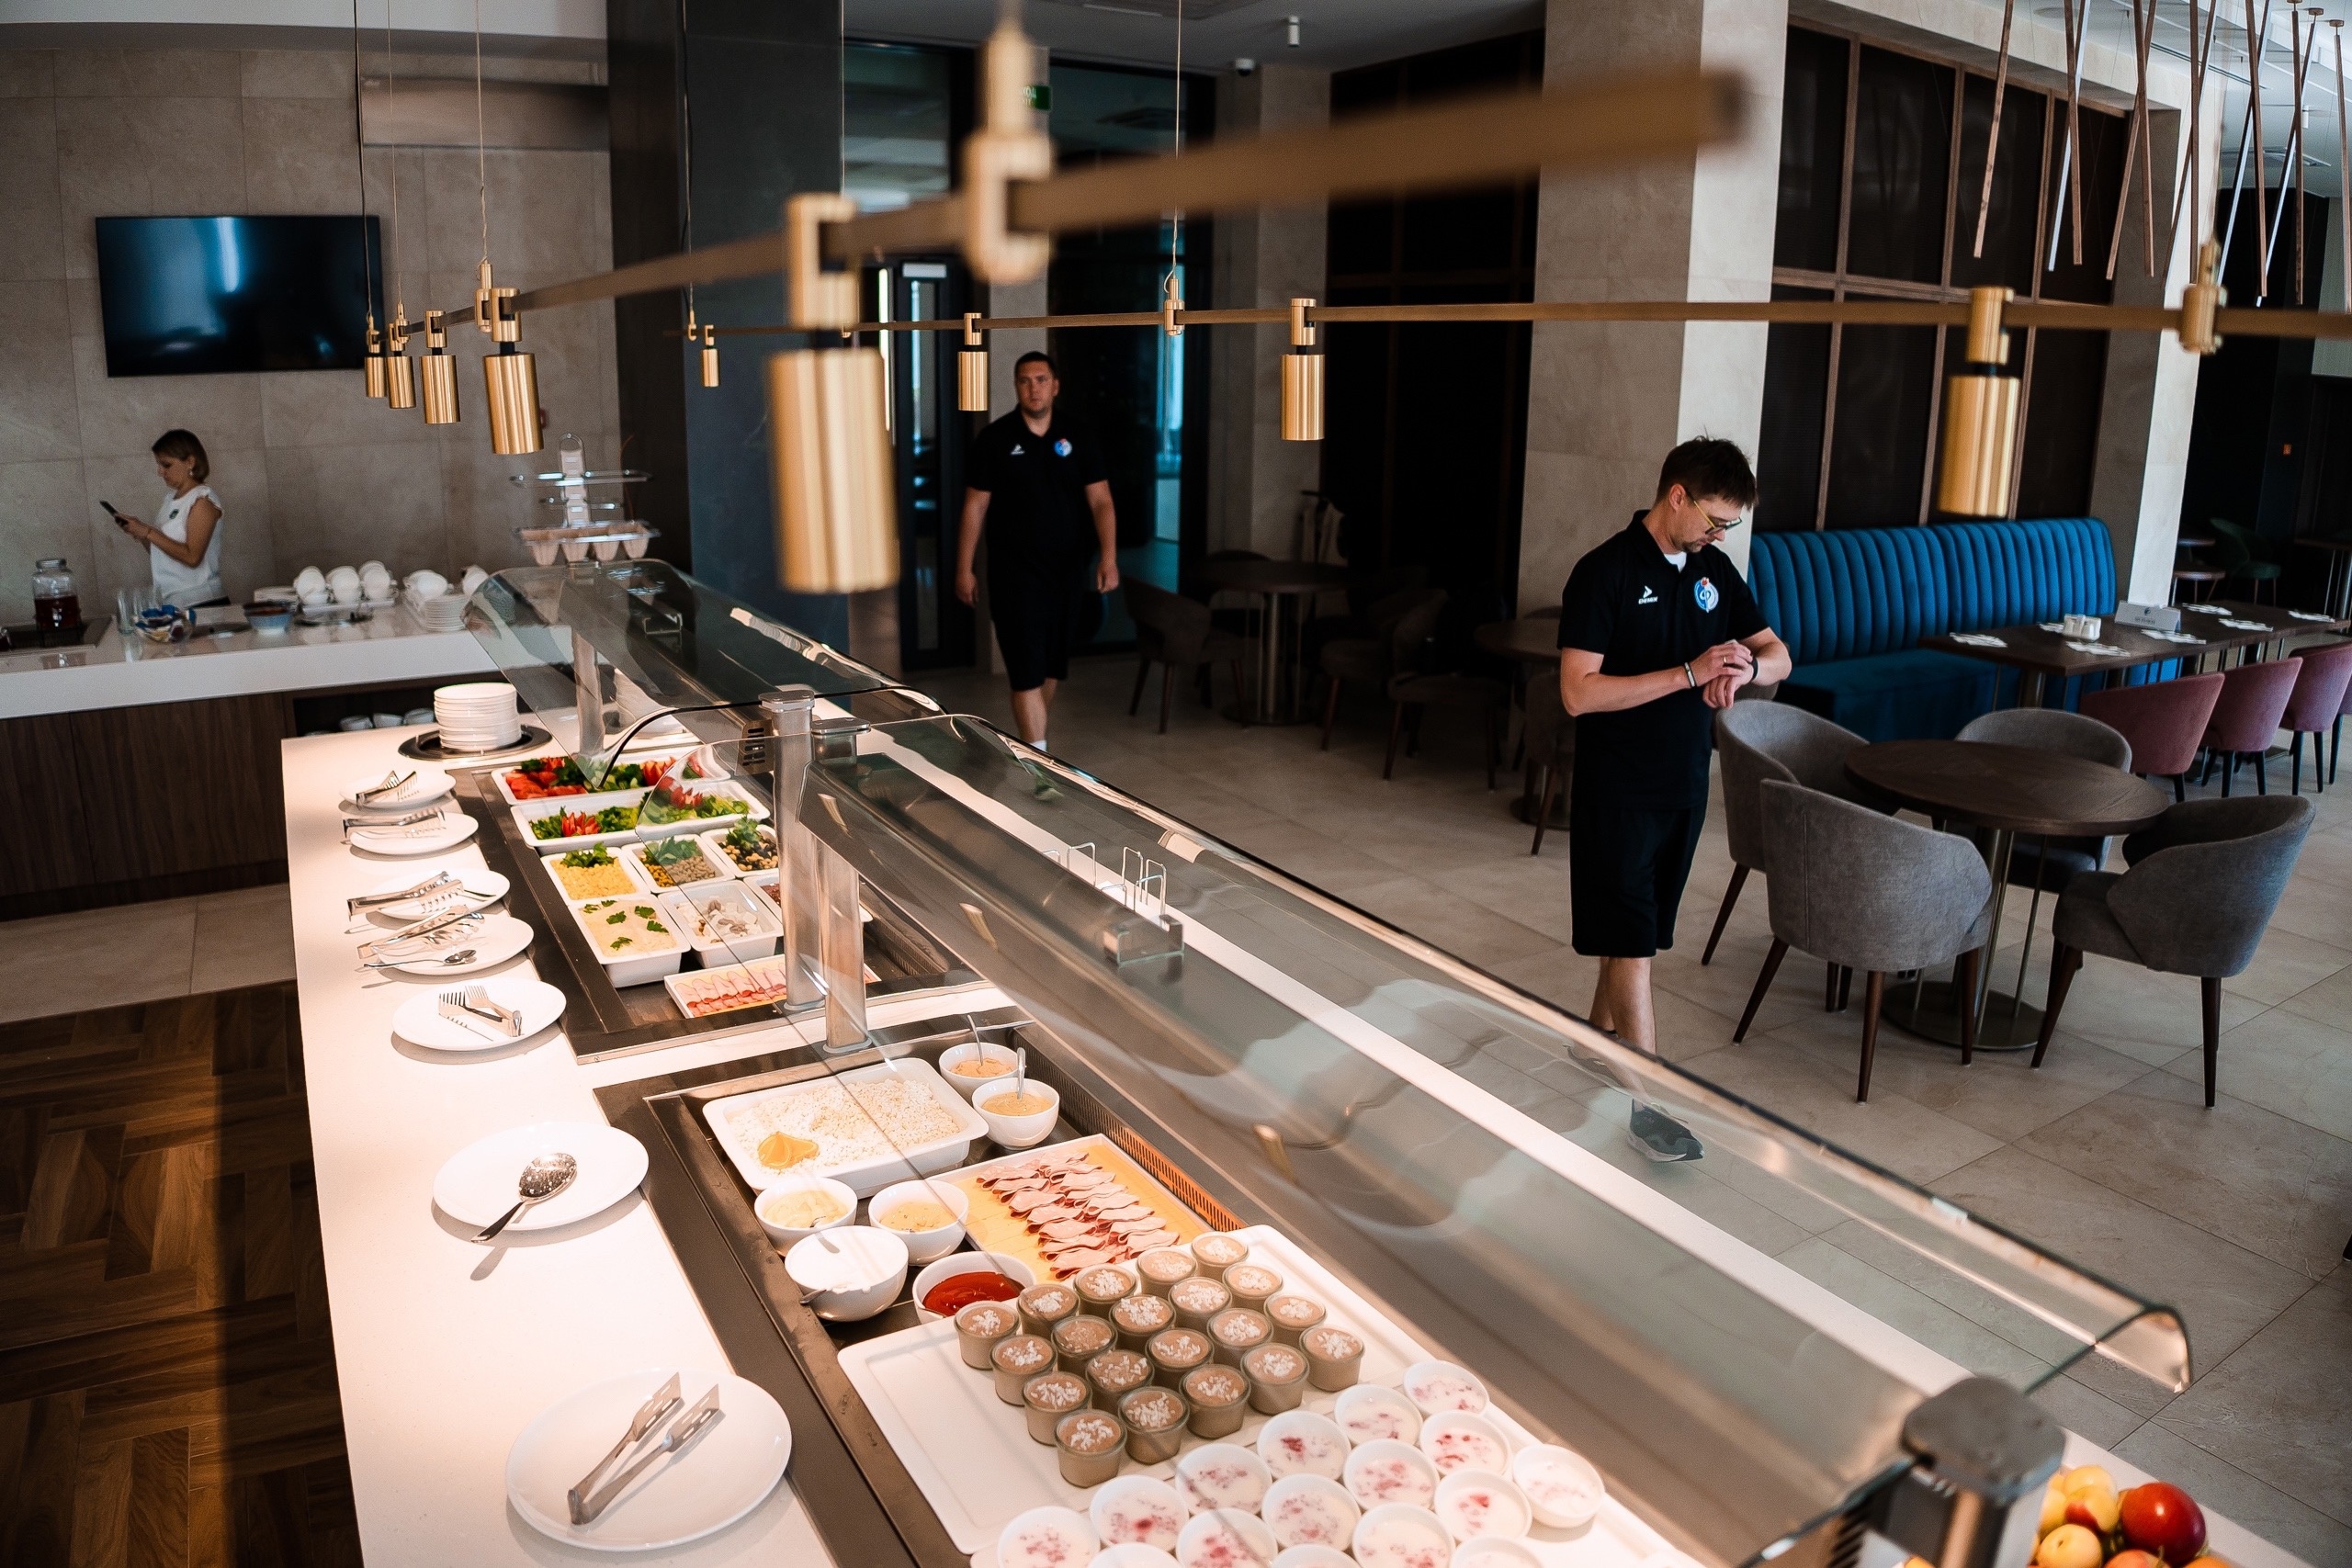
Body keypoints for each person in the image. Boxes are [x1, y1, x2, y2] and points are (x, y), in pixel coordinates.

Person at [1556, 436, 1792, 1066]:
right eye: (1715, 520)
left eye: (1730, 525)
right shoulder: (1604, 572)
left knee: (1633, 935)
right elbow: (1577, 693)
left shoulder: (1715, 572)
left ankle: (1590, 1050)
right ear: (1678, 496)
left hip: (1684, 785)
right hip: (1618, 790)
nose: (1719, 535)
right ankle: (1648, 1100)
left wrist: (1744, 670)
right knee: (1633, 946)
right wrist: (1688, 673)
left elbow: (1779, 655)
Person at [956, 352, 1120, 750]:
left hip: (1067, 572)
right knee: (1025, 670)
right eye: (1025, 381)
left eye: (1042, 380)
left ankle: (1034, 749)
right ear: (1016, 387)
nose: (1034, 389)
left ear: (1055, 386)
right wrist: (964, 568)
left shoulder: (1078, 436)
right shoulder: (995, 439)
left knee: (1050, 668)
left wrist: (1109, 557)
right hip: (1014, 574)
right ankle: (1039, 763)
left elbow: (1101, 501)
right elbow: (975, 506)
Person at [110, 429, 227, 608]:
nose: (160, 472)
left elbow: (192, 557)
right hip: (173, 602)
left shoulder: (202, 500)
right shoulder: (170, 499)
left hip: (202, 601)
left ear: (190, 462)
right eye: (158, 465)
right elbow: (163, 554)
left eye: (166, 465)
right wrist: (141, 534)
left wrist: (148, 532)